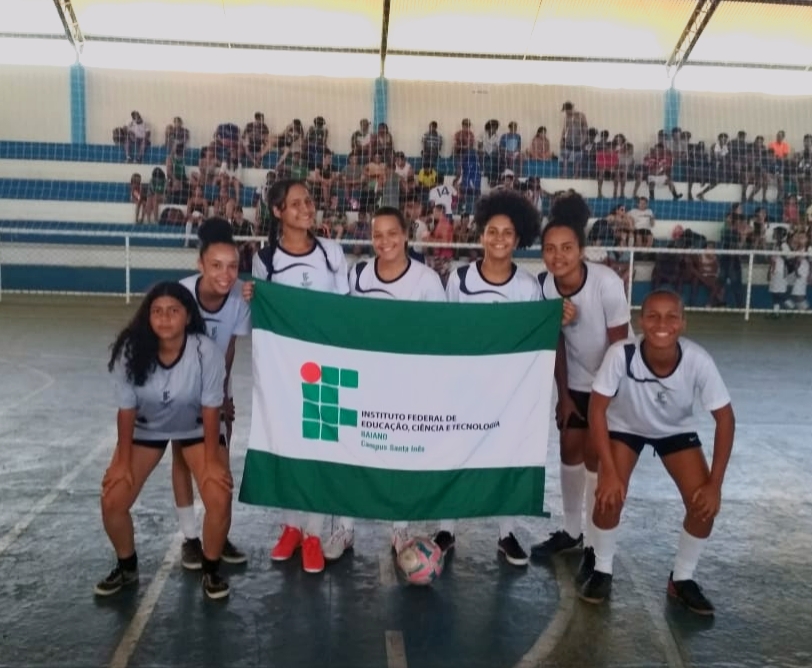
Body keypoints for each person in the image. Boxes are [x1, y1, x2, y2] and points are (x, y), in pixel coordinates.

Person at [581, 290, 735, 615]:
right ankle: (602, 569)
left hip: (674, 431)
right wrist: (608, 471)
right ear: (641, 321)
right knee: (608, 497)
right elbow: (597, 410)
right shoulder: (621, 354)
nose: (662, 324)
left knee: (704, 506)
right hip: (625, 427)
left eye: (671, 316)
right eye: (653, 316)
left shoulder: (698, 360)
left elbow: (725, 419)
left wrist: (715, 485)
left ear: (683, 323)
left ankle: (682, 578)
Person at [323, 206, 447, 562]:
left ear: (406, 235)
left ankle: (399, 526)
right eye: (377, 234)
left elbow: (439, 333)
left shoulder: (426, 280)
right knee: (353, 453)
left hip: (407, 386)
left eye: (392, 233)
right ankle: (345, 528)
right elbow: (345, 323)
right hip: (363, 383)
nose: (385, 241)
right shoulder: (359, 274)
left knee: (399, 456)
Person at [95, 282, 233, 600]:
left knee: (219, 495)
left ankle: (211, 571)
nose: (165, 318)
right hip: (147, 429)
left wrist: (212, 461)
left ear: (188, 316)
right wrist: (122, 463)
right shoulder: (130, 351)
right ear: (148, 317)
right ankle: (127, 567)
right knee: (112, 498)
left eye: (173, 311)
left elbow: (211, 408)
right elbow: (126, 410)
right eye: (157, 311)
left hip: (197, 428)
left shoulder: (205, 352)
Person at [243, 179, 349, 574]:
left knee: (320, 449)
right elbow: (266, 316)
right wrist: (255, 298)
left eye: (308, 201)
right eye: (296, 203)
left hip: (327, 368)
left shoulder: (331, 253)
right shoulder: (266, 260)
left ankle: (314, 534)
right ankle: (291, 526)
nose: (306, 208)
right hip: (284, 371)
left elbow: (345, 310)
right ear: (277, 212)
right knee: (286, 446)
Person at [435, 190, 545, 567]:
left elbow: (534, 341)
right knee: (455, 455)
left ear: (518, 238)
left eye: (507, 233)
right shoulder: (460, 279)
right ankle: (446, 528)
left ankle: (506, 533)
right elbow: (447, 332)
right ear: (481, 234)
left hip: (508, 392)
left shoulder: (527, 287)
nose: (499, 239)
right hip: (464, 388)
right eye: (492, 231)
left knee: (506, 457)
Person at [531, 193, 630, 590]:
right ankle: (572, 532)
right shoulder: (545, 287)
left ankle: (592, 543)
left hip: (611, 384)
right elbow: (556, 342)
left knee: (593, 457)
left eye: (567, 248)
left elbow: (620, 347)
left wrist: (601, 404)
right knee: (568, 451)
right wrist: (566, 396)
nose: (559, 256)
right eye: (550, 249)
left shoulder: (605, 283)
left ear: (581, 251)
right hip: (573, 382)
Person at [170, 219, 251, 572]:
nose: (225, 274)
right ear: (200, 264)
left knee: (220, 462)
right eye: (216, 265)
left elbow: (229, 347)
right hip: (181, 384)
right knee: (182, 457)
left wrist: (223, 395)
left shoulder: (239, 297)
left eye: (232, 266)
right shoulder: (181, 294)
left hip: (217, 387)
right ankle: (190, 537)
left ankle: (218, 532)